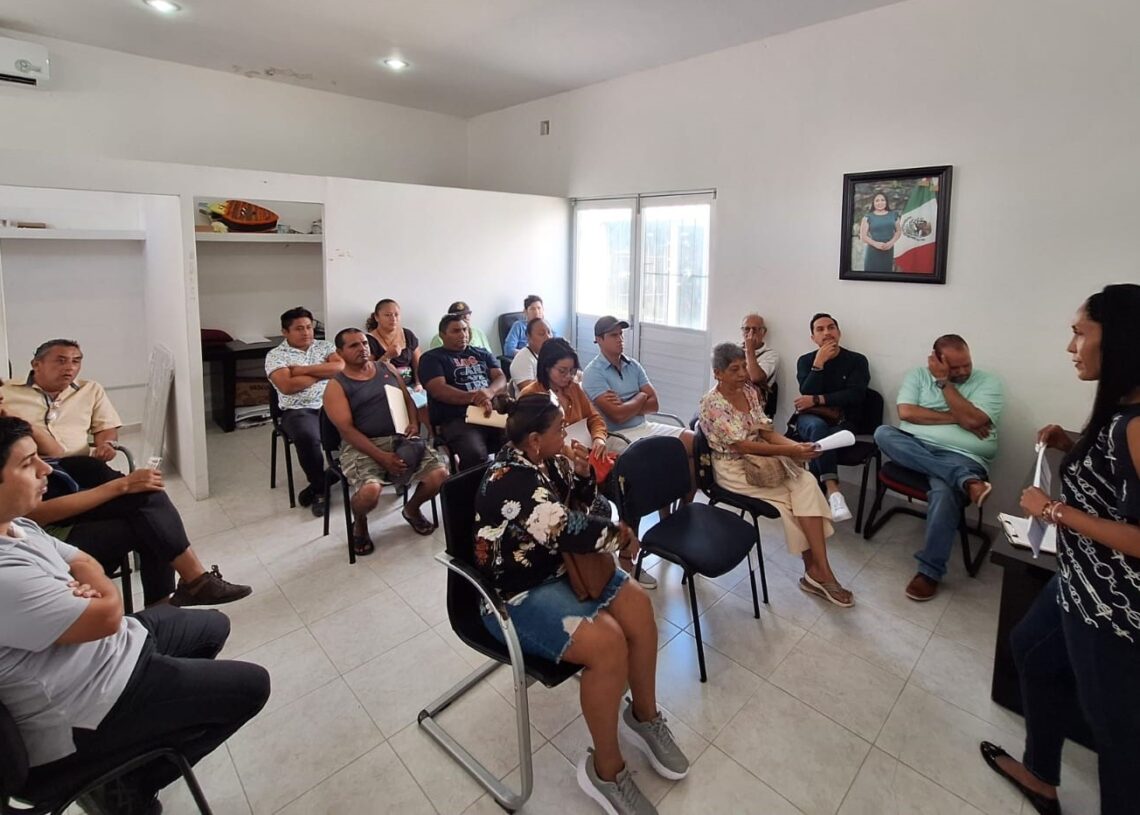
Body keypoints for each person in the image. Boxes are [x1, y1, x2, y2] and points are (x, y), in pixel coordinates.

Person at [0, 416, 271, 814]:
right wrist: (99, 594)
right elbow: (107, 614)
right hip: (86, 703)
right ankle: (128, 786)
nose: (46, 469)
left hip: (110, 649)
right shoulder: (5, 575)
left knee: (213, 625)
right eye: (28, 464)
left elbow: (84, 561)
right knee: (253, 686)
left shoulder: (16, 525)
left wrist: (91, 588)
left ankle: (142, 742)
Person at [474, 394, 689, 814]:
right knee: (608, 646)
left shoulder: (548, 460)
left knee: (639, 609)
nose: (568, 433)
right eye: (560, 428)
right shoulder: (508, 479)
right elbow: (565, 529)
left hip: (564, 569)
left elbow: (585, 507)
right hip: (515, 593)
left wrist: (584, 474)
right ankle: (606, 771)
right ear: (534, 439)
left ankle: (644, 715)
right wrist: (620, 536)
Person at [980, 284, 1140, 815]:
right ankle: (1041, 774)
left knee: (1118, 739)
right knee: (1030, 649)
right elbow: (1118, 481)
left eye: (1079, 333)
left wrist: (1052, 510)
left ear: (1117, 339)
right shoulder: (1120, 410)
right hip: (1079, 580)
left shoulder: (1138, 425)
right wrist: (1072, 442)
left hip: (1114, 609)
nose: (1071, 347)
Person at [0, 343, 251, 607]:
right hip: (47, 522)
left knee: (142, 496)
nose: (69, 368)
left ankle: (177, 599)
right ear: (36, 364)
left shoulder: (86, 391)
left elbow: (58, 453)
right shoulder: (11, 398)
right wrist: (121, 486)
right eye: (61, 361)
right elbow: (34, 513)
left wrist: (16, 421)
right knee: (149, 521)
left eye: (75, 361)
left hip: (73, 475)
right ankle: (174, 601)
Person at [699, 343, 853, 608]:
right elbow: (742, 446)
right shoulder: (711, 404)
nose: (742, 373)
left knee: (807, 482)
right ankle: (819, 573)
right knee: (793, 501)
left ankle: (819, 570)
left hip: (764, 460)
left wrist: (797, 448)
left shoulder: (749, 391)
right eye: (734, 369)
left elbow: (766, 433)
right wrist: (790, 451)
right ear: (718, 373)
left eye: (744, 366)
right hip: (733, 469)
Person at [873, 335, 1002, 601]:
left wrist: (945, 383)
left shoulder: (988, 382)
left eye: (967, 364)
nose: (963, 371)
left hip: (964, 457)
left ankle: (929, 572)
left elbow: (975, 420)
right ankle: (966, 481)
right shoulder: (917, 376)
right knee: (883, 433)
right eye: (955, 367)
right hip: (916, 447)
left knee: (944, 492)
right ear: (936, 360)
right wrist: (959, 418)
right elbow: (906, 413)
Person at [323, 329, 448, 554]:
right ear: (340, 352)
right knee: (370, 492)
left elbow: (407, 399)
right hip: (363, 446)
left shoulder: (386, 368)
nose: (362, 348)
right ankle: (360, 521)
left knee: (440, 475)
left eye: (364, 343)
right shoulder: (336, 385)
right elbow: (347, 431)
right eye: (353, 345)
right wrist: (381, 457)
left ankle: (411, 509)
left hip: (400, 438)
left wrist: (413, 423)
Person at [266, 306, 344, 517]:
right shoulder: (276, 355)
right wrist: (323, 372)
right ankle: (319, 490)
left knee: (366, 423)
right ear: (285, 332)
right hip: (298, 409)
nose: (306, 332)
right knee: (307, 436)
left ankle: (334, 475)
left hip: (332, 403)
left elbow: (339, 368)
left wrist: (300, 371)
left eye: (309, 327)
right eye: (299, 328)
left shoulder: (324, 346)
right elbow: (287, 386)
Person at [792, 313, 870, 522]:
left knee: (820, 439)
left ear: (839, 333)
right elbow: (806, 391)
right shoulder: (805, 361)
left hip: (844, 422)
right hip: (810, 420)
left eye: (831, 327)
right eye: (820, 329)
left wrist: (817, 399)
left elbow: (856, 395)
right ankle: (833, 490)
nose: (827, 332)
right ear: (813, 338)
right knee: (818, 429)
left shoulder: (857, 360)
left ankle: (814, 496)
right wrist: (818, 364)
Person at [420, 313, 508, 470]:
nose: (463, 334)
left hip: (491, 412)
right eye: (456, 331)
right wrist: (475, 397)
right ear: (442, 335)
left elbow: (501, 378)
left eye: (465, 329)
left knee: (519, 440)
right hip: (458, 418)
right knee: (476, 455)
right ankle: (473, 485)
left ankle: (505, 481)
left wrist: (489, 392)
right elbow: (438, 390)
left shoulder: (482, 353)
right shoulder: (431, 358)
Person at [364, 298, 424, 394]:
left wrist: (418, 383)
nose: (393, 319)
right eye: (387, 315)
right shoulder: (368, 340)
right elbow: (368, 371)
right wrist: (387, 356)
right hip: (384, 389)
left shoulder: (408, 334)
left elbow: (418, 363)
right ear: (376, 317)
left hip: (411, 387)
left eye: (396, 315)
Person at [859, 191, 902, 273]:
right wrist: (876, 244)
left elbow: (898, 231)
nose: (880, 203)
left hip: (888, 250)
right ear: (873, 203)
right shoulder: (868, 217)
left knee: (886, 274)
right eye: (877, 200)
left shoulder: (894, 215)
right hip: (873, 251)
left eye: (882, 200)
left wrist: (891, 243)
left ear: (886, 202)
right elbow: (863, 236)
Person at [427, 301, 494, 352]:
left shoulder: (478, 333)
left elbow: (489, 354)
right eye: (458, 318)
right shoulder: (440, 338)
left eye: (465, 317)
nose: (462, 321)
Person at [508, 317, 552, 391]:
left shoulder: (552, 354)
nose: (548, 337)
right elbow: (530, 392)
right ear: (528, 337)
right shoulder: (523, 359)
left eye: (549, 332)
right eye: (541, 334)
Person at [741, 313, 779, 395]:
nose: (750, 333)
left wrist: (750, 350)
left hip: (755, 399)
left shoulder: (770, 355)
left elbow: (755, 378)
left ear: (763, 332)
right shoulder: (734, 350)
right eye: (747, 329)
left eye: (754, 330)